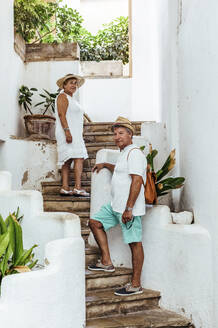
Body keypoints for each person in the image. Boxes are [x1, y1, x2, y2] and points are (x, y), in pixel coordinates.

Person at [88, 116, 146, 296]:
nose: (117, 137)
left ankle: (136, 285)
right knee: (95, 222)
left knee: (134, 243)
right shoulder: (125, 153)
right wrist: (106, 164)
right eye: (115, 134)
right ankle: (106, 261)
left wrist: (129, 208)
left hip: (128, 209)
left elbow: (137, 180)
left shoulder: (135, 153)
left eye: (121, 133)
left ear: (130, 135)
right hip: (115, 206)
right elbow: (122, 170)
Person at [55, 73, 89, 197]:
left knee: (68, 160)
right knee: (78, 157)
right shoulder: (62, 97)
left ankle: (65, 187)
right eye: (71, 82)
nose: (74, 85)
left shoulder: (72, 99)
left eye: (75, 83)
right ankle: (78, 188)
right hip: (68, 132)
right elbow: (61, 115)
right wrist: (67, 131)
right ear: (64, 85)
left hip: (74, 132)